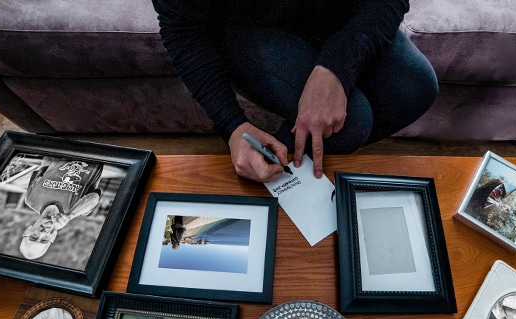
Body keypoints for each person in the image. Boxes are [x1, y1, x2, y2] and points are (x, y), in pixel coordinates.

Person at [152, 0, 438, 183]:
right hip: (242, 21)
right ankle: (276, 166)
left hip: (333, 11)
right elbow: (182, 30)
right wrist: (233, 127)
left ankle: (302, 165)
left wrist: (336, 68)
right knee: (351, 124)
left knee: (416, 88)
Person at [19, 157, 103, 259]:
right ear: (53, 237)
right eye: (44, 240)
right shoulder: (79, 210)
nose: (42, 233)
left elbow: (45, 164)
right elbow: (95, 196)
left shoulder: (30, 199)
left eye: (34, 237)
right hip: (95, 153)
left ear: (28, 231)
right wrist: (70, 215)